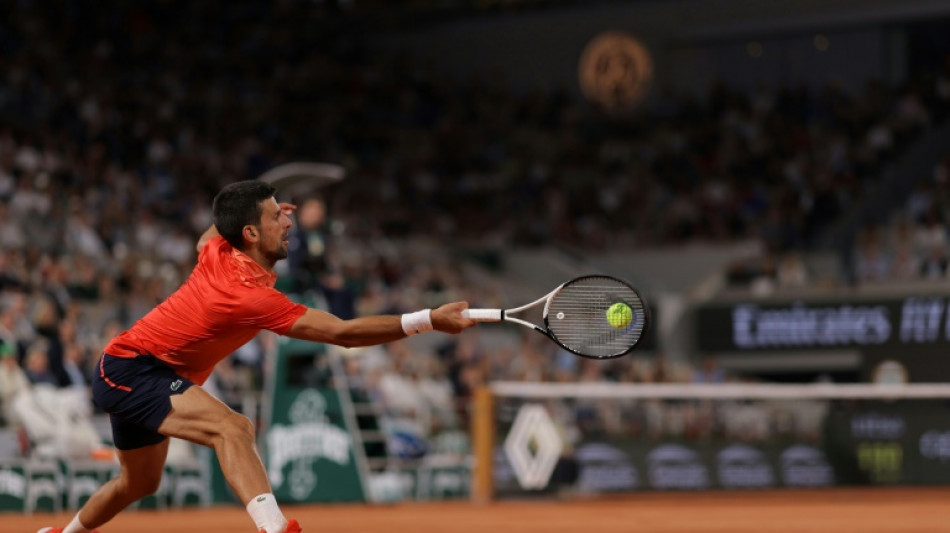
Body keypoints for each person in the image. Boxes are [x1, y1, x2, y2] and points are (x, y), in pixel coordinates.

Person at [38, 180, 476, 533]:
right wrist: (429, 320)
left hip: (143, 370)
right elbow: (343, 333)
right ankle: (274, 529)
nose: (288, 223)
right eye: (276, 217)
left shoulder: (220, 249)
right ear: (249, 234)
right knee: (233, 427)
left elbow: (206, 235)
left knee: (139, 483)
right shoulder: (246, 297)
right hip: (131, 369)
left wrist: (250, 205)